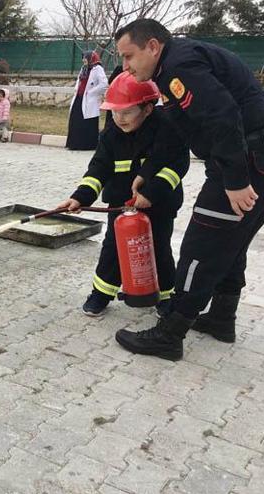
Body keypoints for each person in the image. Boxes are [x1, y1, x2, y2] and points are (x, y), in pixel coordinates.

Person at [112, 18, 264, 361]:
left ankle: (169, 333)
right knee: (232, 240)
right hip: (250, 159)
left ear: (152, 46)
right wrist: (150, 171)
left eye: (129, 56)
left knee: (202, 242)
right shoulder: (171, 69)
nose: (125, 66)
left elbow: (223, 115)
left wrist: (236, 181)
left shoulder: (179, 66)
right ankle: (222, 318)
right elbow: (180, 129)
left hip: (246, 164)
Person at [58, 71, 189, 319]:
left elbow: (177, 166)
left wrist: (151, 194)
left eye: (127, 112)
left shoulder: (167, 129)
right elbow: (97, 170)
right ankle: (101, 294)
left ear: (148, 109)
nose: (119, 118)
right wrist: (80, 198)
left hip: (160, 205)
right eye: (114, 111)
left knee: (158, 248)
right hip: (121, 207)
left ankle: (165, 296)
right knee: (113, 250)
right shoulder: (110, 136)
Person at [66, 51, 108, 151]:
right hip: (79, 98)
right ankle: (74, 144)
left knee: (88, 122)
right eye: (83, 57)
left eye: (86, 57)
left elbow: (104, 84)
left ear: (91, 58)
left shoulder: (98, 69)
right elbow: (79, 81)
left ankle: (88, 145)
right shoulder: (83, 68)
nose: (83, 60)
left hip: (90, 99)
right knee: (75, 119)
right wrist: (77, 89)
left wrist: (91, 92)